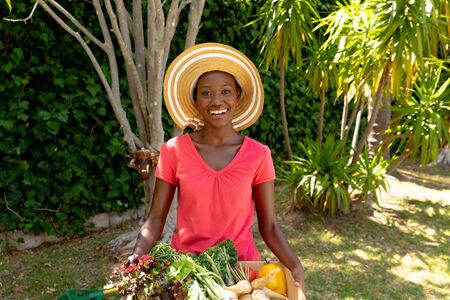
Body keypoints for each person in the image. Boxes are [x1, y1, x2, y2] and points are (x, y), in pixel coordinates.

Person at [130, 43, 306, 295]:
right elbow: (155, 219)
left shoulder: (258, 154)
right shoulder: (174, 150)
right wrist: (137, 257)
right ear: (195, 99)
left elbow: (269, 226)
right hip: (186, 272)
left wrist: (295, 265)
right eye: (206, 93)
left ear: (237, 95)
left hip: (241, 274)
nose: (217, 101)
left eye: (225, 91)